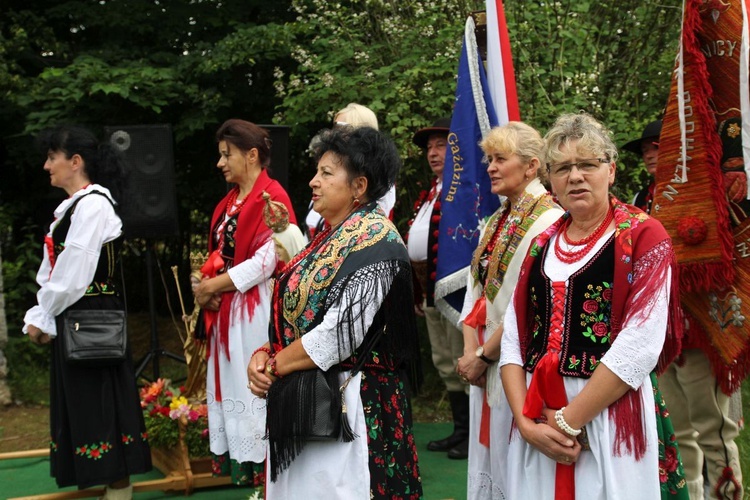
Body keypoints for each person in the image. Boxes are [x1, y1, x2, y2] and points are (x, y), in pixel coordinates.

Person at [499, 113, 687, 499]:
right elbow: (515, 336)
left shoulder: (643, 235)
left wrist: (569, 421)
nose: (575, 176)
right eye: (563, 167)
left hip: (608, 415)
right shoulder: (542, 243)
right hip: (538, 415)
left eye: (588, 164)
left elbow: (640, 346)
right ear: (550, 179)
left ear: (611, 170)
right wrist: (525, 421)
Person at [247, 126, 422, 498]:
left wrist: (276, 365)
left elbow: (337, 336)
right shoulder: (330, 236)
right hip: (311, 397)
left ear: (359, 186)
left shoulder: (378, 241)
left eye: (327, 173)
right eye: (317, 171)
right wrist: (263, 353)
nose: (314, 181)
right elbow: (299, 317)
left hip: (352, 403)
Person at [23, 125, 151, 498]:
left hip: (93, 321)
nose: (47, 166)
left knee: (103, 415)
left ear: (75, 162)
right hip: (79, 317)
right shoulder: (75, 207)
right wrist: (42, 313)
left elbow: (74, 274)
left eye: (52, 158)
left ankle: (118, 493)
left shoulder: (93, 204)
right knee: (92, 414)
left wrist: (43, 315)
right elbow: (55, 270)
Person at [456, 122, 563, 498]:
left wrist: (484, 355)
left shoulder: (549, 221)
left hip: (514, 358)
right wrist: (471, 350)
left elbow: (526, 306)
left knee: (511, 453)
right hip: (485, 358)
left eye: (501, 159)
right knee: (488, 452)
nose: (490, 167)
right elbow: (475, 291)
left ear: (532, 166)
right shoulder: (497, 219)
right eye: (489, 159)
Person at [193, 119, 296, 486]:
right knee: (235, 384)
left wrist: (214, 285)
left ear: (252, 155)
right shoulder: (229, 203)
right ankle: (254, 474)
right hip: (227, 310)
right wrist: (204, 281)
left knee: (254, 383)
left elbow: (269, 260)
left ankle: (271, 472)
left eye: (227, 155)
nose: (221, 163)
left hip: (255, 308)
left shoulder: (273, 197)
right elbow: (221, 253)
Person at [656, 116, 745, 499]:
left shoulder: (714, 195)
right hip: (667, 333)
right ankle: (690, 494)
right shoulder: (652, 198)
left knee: (714, 428)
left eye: (655, 150)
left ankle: (726, 494)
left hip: (706, 328)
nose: (649, 157)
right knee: (677, 429)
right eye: (646, 152)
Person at [407, 117, 470, 459]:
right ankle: (460, 430)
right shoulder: (429, 192)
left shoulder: (463, 192)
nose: (432, 153)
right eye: (429, 148)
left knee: (463, 359)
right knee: (444, 361)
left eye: (440, 145)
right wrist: (418, 293)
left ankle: (473, 434)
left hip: (455, 294)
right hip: (429, 289)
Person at [304, 103, 396, 239]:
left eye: (342, 128)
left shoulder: (379, 189)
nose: (334, 134)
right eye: (334, 127)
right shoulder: (327, 184)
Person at [622, 119, 661, 214]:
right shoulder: (639, 198)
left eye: (656, 148)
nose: (649, 156)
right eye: (645, 150)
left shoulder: (693, 190)